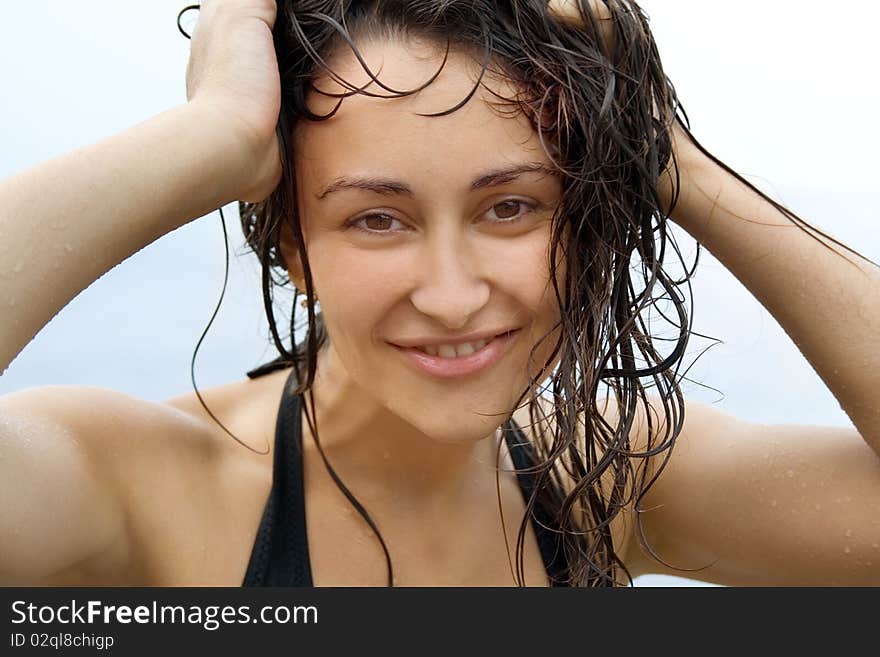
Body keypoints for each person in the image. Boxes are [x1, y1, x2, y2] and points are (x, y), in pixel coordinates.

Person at [0, 0, 878, 587]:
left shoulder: (609, 481)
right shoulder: (140, 483)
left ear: (586, 219)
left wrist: (660, 151)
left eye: (510, 207)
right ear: (293, 246)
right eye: (377, 219)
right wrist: (211, 136)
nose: (454, 296)